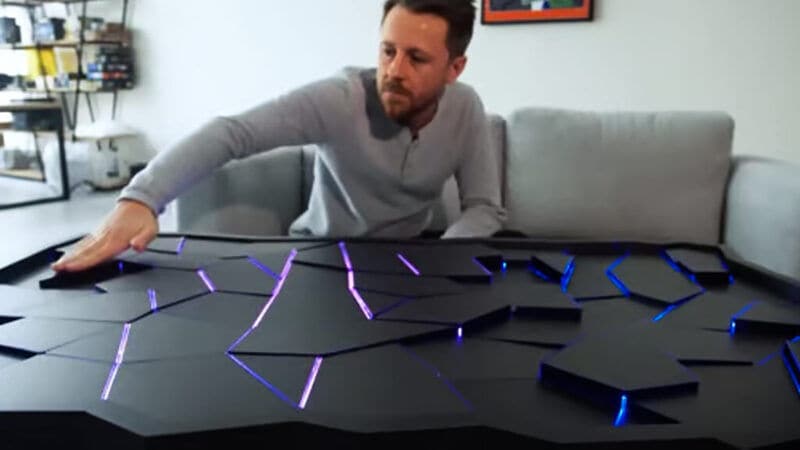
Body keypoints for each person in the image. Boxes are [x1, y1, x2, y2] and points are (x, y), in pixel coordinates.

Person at [52, 0, 506, 273]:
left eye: (417, 59)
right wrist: (141, 199)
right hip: (321, 258)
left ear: (455, 68)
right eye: (388, 51)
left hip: (408, 263)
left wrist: (440, 261)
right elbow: (232, 133)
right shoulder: (340, 99)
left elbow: (484, 207)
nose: (394, 71)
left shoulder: (466, 107)